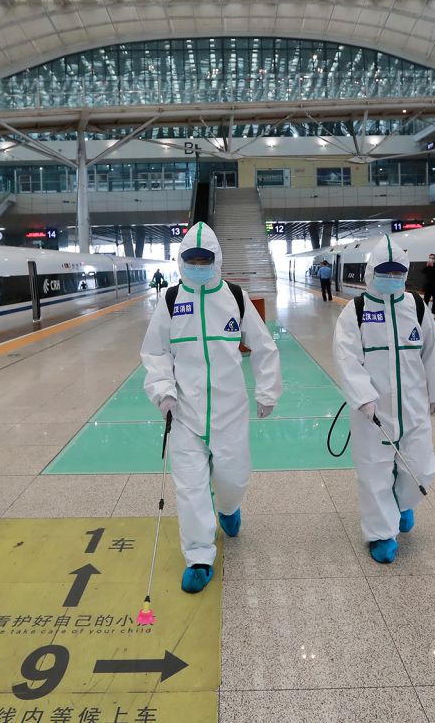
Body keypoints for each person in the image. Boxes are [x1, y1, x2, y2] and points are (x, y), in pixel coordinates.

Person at [140, 223, 282, 593]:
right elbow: (154, 352)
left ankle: (230, 508)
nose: (199, 265)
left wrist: (267, 392)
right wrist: (162, 390)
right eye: (192, 260)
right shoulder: (170, 301)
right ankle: (200, 556)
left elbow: (264, 347)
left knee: (232, 480)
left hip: (229, 411)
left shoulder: (235, 297)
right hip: (184, 414)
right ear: (182, 261)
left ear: (217, 261)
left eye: (205, 260)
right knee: (190, 489)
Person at [332, 235, 435, 564]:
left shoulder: (415, 306)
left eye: (397, 271)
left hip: (413, 409)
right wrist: (363, 397)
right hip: (373, 414)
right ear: (372, 273)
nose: (391, 277)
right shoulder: (355, 312)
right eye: (384, 271)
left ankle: (401, 506)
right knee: (374, 475)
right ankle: (381, 534)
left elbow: (432, 352)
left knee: (422, 470)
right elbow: (346, 358)